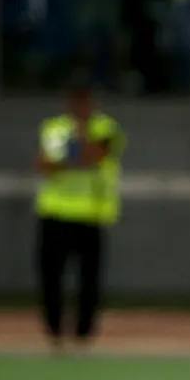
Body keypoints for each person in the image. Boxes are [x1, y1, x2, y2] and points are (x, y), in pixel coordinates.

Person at [35, 80, 126, 350]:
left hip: (91, 214)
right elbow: (46, 165)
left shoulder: (107, 128)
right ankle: (54, 332)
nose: (81, 106)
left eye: (86, 100)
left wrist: (69, 154)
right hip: (55, 212)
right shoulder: (54, 128)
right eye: (77, 100)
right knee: (51, 275)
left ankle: (83, 335)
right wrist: (70, 157)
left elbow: (94, 156)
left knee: (90, 278)